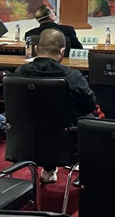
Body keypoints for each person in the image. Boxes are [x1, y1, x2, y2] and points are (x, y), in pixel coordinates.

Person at [12, 28, 97, 183]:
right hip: (66, 145)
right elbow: (89, 105)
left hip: (23, 142)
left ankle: (49, 169)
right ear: (63, 51)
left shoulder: (18, 73)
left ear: (36, 48)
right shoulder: (72, 77)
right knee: (91, 120)